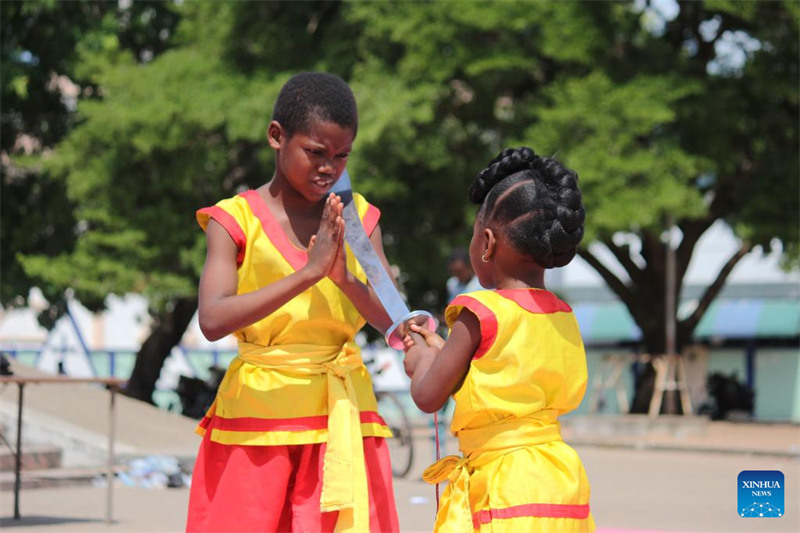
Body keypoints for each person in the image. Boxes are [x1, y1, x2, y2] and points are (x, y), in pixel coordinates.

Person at [186, 72, 399, 533]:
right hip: (259, 420)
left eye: (342, 156)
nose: (330, 168)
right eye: (316, 153)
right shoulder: (234, 220)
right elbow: (213, 318)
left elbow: (393, 322)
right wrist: (308, 274)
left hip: (341, 415)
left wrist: (342, 278)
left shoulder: (358, 219)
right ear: (276, 136)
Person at [402, 147, 595, 532]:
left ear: (487, 243)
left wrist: (421, 358)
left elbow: (428, 395)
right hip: (560, 479)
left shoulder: (479, 312)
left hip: (502, 485)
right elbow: (503, 375)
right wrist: (444, 353)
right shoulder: (563, 314)